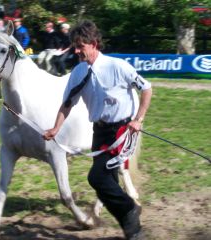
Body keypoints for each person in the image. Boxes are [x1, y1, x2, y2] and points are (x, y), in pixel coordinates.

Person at [43, 20, 152, 240]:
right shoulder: (78, 72)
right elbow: (67, 103)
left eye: (80, 46)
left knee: (97, 178)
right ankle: (132, 229)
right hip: (99, 132)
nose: (76, 50)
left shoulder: (117, 66)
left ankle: (130, 209)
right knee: (106, 185)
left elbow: (146, 88)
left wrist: (138, 119)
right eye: (74, 46)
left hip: (121, 131)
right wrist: (55, 128)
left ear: (93, 44)